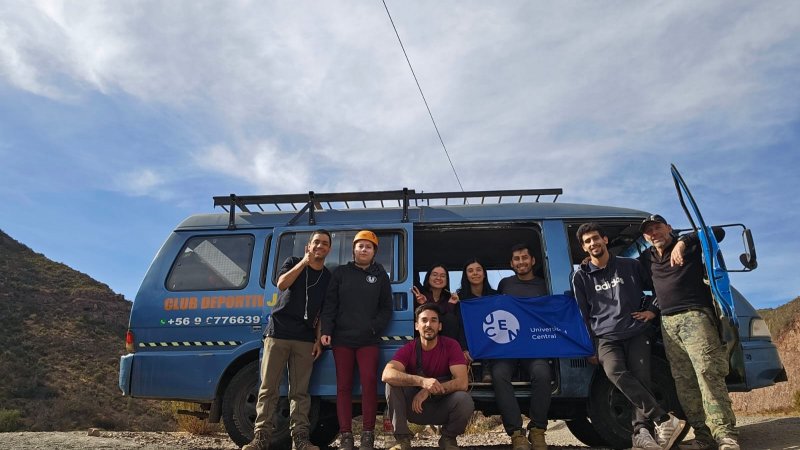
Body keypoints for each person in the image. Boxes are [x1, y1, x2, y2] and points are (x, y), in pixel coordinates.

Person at [571, 223, 686, 450]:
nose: (593, 243)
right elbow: (581, 314)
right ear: (584, 248)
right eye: (587, 241)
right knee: (614, 371)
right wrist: (588, 346)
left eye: (595, 238)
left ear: (605, 239)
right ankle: (663, 418)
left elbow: (659, 285)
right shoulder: (580, 277)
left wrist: (652, 310)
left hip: (636, 331)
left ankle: (641, 433)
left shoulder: (629, 265)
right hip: (605, 337)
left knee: (641, 378)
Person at [639, 215, 740, 450]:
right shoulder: (646, 258)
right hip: (667, 323)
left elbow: (718, 232)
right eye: (649, 231)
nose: (654, 233)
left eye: (658, 227)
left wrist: (684, 241)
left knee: (707, 373)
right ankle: (703, 436)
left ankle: (725, 435)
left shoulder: (689, 246)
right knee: (684, 381)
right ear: (645, 237)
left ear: (669, 228)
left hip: (695, 316)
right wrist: (653, 310)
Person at [244, 230, 333, 450]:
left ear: (329, 249)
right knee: (268, 388)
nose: (320, 246)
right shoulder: (293, 262)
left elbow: (322, 312)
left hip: (304, 339)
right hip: (278, 334)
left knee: (300, 392)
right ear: (308, 246)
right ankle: (260, 438)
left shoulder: (328, 277)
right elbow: (282, 284)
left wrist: (317, 340)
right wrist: (304, 262)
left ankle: (300, 440)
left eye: (324, 243)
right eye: (316, 242)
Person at [320, 230, 393, 450]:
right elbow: (330, 304)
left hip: (368, 340)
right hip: (342, 339)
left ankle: (368, 435)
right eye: (360, 246)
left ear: (374, 252)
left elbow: (386, 308)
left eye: (368, 247)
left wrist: (373, 327)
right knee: (343, 386)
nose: (364, 249)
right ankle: (346, 436)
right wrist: (327, 329)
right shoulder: (341, 273)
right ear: (353, 249)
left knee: (369, 384)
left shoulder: (380, 275)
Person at [381, 303, 475, 450]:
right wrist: (422, 381)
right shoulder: (409, 348)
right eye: (424, 320)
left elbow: (462, 382)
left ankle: (448, 439)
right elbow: (387, 374)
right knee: (392, 383)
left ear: (440, 326)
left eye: (433, 320)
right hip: (414, 408)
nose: (428, 325)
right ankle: (402, 440)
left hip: (442, 406)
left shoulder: (452, 346)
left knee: (464, 400)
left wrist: (429, 390)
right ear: (416, 326)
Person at [494, 244, 551, 450]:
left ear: (533, 260)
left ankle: (537, 430)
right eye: (516, 259)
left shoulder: (544, 285)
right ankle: (516, 433)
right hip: (508, 346)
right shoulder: (505, 284)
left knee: (543, 373)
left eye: (524, 258)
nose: (521, 262)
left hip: (534, 346)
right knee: (499, 374)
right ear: (511, 263)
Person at [455, 257, 497, 383]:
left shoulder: (496, 296)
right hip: (469, 338)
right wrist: (463, 348)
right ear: (466, 275)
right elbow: (460, 325)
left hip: (491, 336)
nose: (475, 273)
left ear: (484, 274)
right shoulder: (460, 298)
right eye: (470, 271)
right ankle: (465, 367)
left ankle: (487, 367)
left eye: (478, 270)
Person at [411, 264, 461, 346]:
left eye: (443, 276)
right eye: (435, 275)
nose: (438, 278)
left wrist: (451, 304)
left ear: (447, 280)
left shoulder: (449, 298)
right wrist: (423, 304)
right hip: (423, 342)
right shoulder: (420, 294)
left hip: (445, 343)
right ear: (428, 277)